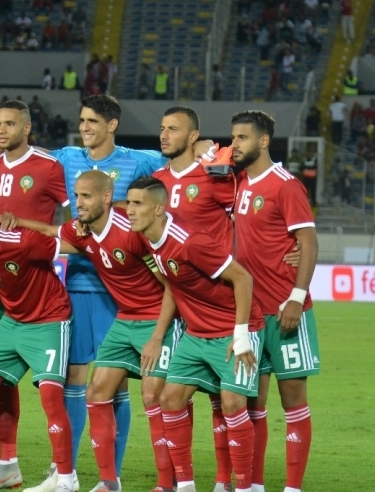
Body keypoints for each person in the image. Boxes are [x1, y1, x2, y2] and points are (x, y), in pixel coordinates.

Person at [0, 95, 172, 491]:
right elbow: (23, 150)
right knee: (74, 380)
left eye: (92, 121)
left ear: (112, 125)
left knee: (118, 386)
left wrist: (205, 146)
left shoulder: (140, 160)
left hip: (120, 291)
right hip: (78, 281)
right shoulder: (66, 158)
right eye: (82, 121)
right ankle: (65, 471)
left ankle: (113, 473)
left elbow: (176, 169)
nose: (85, 127)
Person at [8, 171, 180, 492]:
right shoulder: (82, 231)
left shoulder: (132, 232)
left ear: (106, 197)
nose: (79, 202)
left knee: (153, 397)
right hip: (125, 318)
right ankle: (108, 482)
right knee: (97, 393)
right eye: (76, 195)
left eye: (86, 196)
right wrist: (16, 222)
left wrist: (158, 337)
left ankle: (167, 484)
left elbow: (172, 285)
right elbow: (50, 232)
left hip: (158, 319)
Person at [127, 176, 265, 492]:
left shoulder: (190, 241)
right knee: (169, 399)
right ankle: (186, 485)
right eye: (129, 202)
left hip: (232, 330)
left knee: (232, 404)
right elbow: (173, 286)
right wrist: (158, 336)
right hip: (195, 334)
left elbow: (243, 279)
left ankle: (244, 487)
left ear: (158, 208)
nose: (130, 210)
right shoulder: (148, 238)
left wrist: (241, 335)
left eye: (138, 204)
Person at [0, 100, 71, 489]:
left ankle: (64, 474)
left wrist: (39, 237)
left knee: (52, 392)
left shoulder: (48, 167)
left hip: (37, 286)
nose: (1, 130)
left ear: (27, 128)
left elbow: (72, 219)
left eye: (10, 124)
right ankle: (3, 465)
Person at [0, 191, 74, 492]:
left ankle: (66, 480)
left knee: (50, 397)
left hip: (49, 320)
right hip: (12, 322)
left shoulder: (24, 241)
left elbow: (71, 245)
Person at [230, 111, 320, 492]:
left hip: (285, 312)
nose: (235, 145)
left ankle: (293, 487)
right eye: (232, 138)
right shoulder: (235, 181)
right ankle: (254, 485)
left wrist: (296, 298)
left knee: (293, 399)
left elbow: (309, 243)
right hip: (249, 315)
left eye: (242, 138)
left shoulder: (286, 186)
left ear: (263, 141)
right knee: (253, 403)